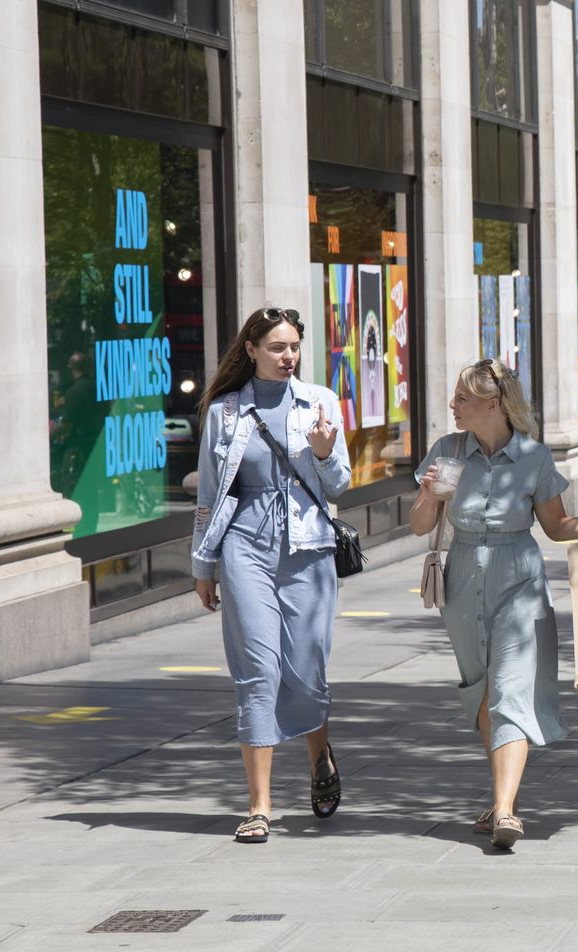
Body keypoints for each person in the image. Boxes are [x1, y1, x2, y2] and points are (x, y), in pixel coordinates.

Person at [408, 360, 578, 851]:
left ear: (492, 405)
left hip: (517, 577)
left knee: (511, 690)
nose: (452, 404)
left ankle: (504, 810)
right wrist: (431, 495)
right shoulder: (447, 451)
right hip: (461, 578)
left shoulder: (534, 457)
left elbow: (557, 526)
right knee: (480, 692)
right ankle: (502, 793)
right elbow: (418, 526)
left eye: (462, 398)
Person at [190, 306, 352, 844]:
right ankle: (259, 804)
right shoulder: (225, 411)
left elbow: (340, 484)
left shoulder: (320, 402)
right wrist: (203, 566)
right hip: (244, 544)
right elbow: (211, 496)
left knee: (306, 667)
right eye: (277, 347)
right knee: (257, 669)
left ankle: (318, 754)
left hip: (308, 546)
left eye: (294, 347)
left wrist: (326, 454)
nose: (288, 356)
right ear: (252, 350)